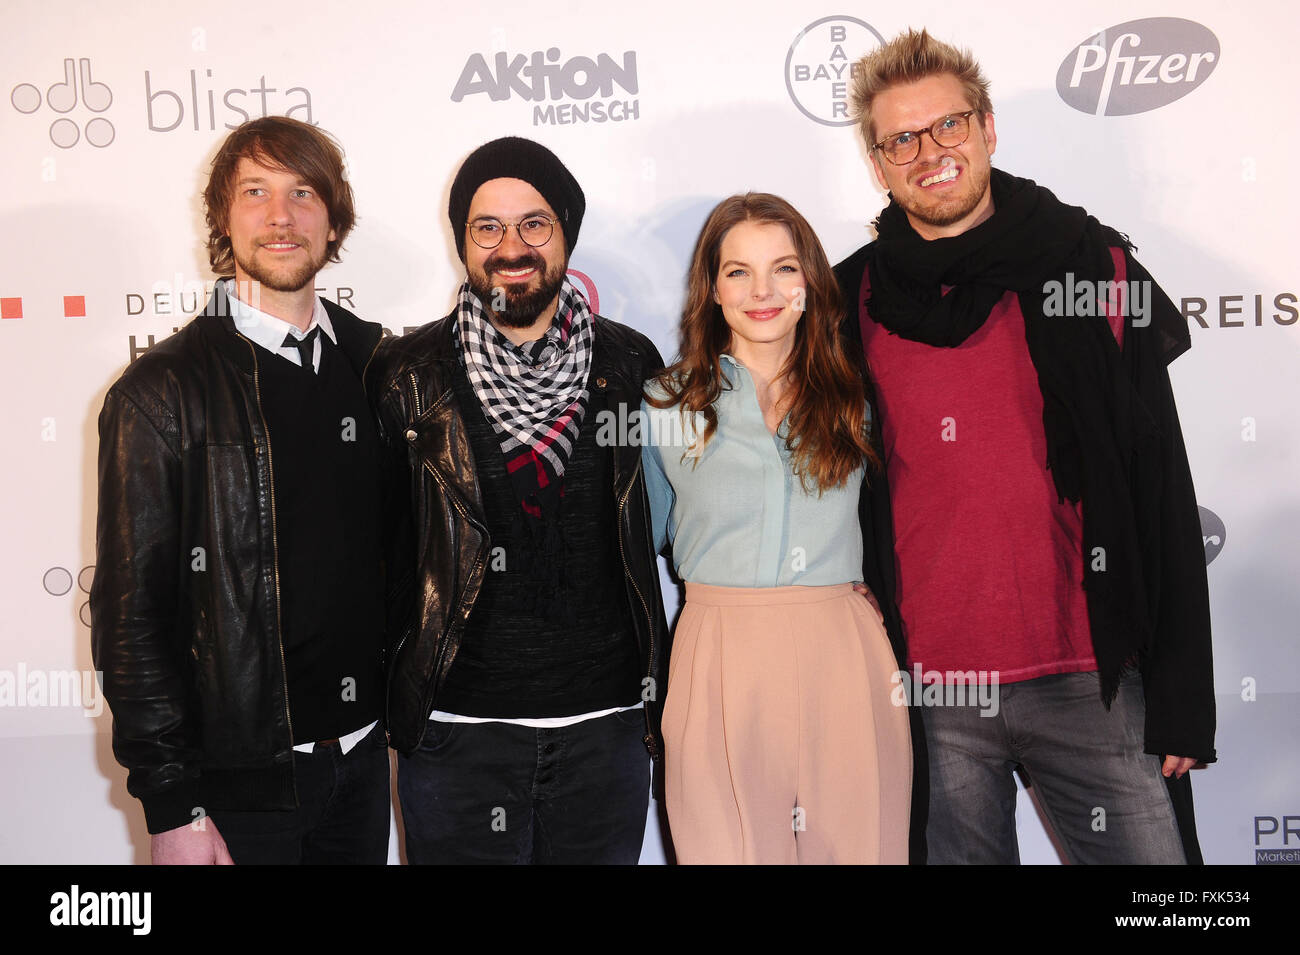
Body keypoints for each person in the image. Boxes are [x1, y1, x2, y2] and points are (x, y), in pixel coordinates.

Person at [834, 28, 1215, 864]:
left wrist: (1185, 698)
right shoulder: (850, 297)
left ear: (987, 127)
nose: (929, 152)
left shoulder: (1090, 266)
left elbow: (1161, 488)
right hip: (931, 693)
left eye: (948, 126)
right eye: (901, 138)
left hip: (1092, 675)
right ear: (877, 160)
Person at [90, 116, 390, 864]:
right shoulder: (161, 392)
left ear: (334, 218)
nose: (280, 216)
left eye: (302, 192)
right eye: (255, 192)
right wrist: (173, 804)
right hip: (234, 791)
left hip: (363, 765)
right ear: (223, 216)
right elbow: (130, 618)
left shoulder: (381, 366)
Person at [370, 136, 668, 864]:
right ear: (463, 243)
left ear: (565, 233)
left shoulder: (631, 365)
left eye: (535, 223)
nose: (512, 246)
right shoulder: (407, 375)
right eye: (488, 227)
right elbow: (377, 556)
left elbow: (667, 531)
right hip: (456, 734)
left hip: (608, 729)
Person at [641, 192, 912, 864]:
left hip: (844, 653)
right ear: (711, 288)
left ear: (811, 283)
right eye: (738, 271)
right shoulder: (662, 403)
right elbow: (634, 542)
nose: (762, 290)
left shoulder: (859, 394)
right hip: (717, 654)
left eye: (783, 268)